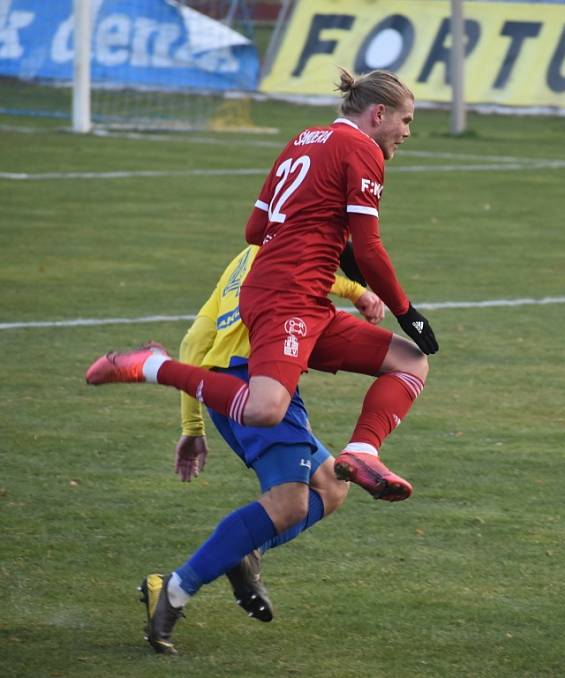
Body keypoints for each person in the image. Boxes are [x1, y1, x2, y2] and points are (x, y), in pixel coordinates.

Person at [87, 66, 438, 642]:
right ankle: (151, 365)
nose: (406, 133)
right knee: (267, 414)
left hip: (296, 296)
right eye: (405, 121)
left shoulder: (303, 138)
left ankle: (361, 451)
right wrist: (407, 309)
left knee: (402, 372)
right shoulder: (361, 150)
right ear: (378, 114)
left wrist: (325, 251)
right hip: (287, 300)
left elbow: (256, 228)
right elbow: (368, 246)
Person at [140, 243, 385, 654]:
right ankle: (174, 589)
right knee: (290, 504)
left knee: (330, 487)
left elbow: (194, 340)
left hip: (234, 390)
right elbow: (318, 275)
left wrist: (193, 426)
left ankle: (245, 550)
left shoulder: (245, 256)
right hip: (257, 380)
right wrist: (359, 293)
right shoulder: (294, 246)